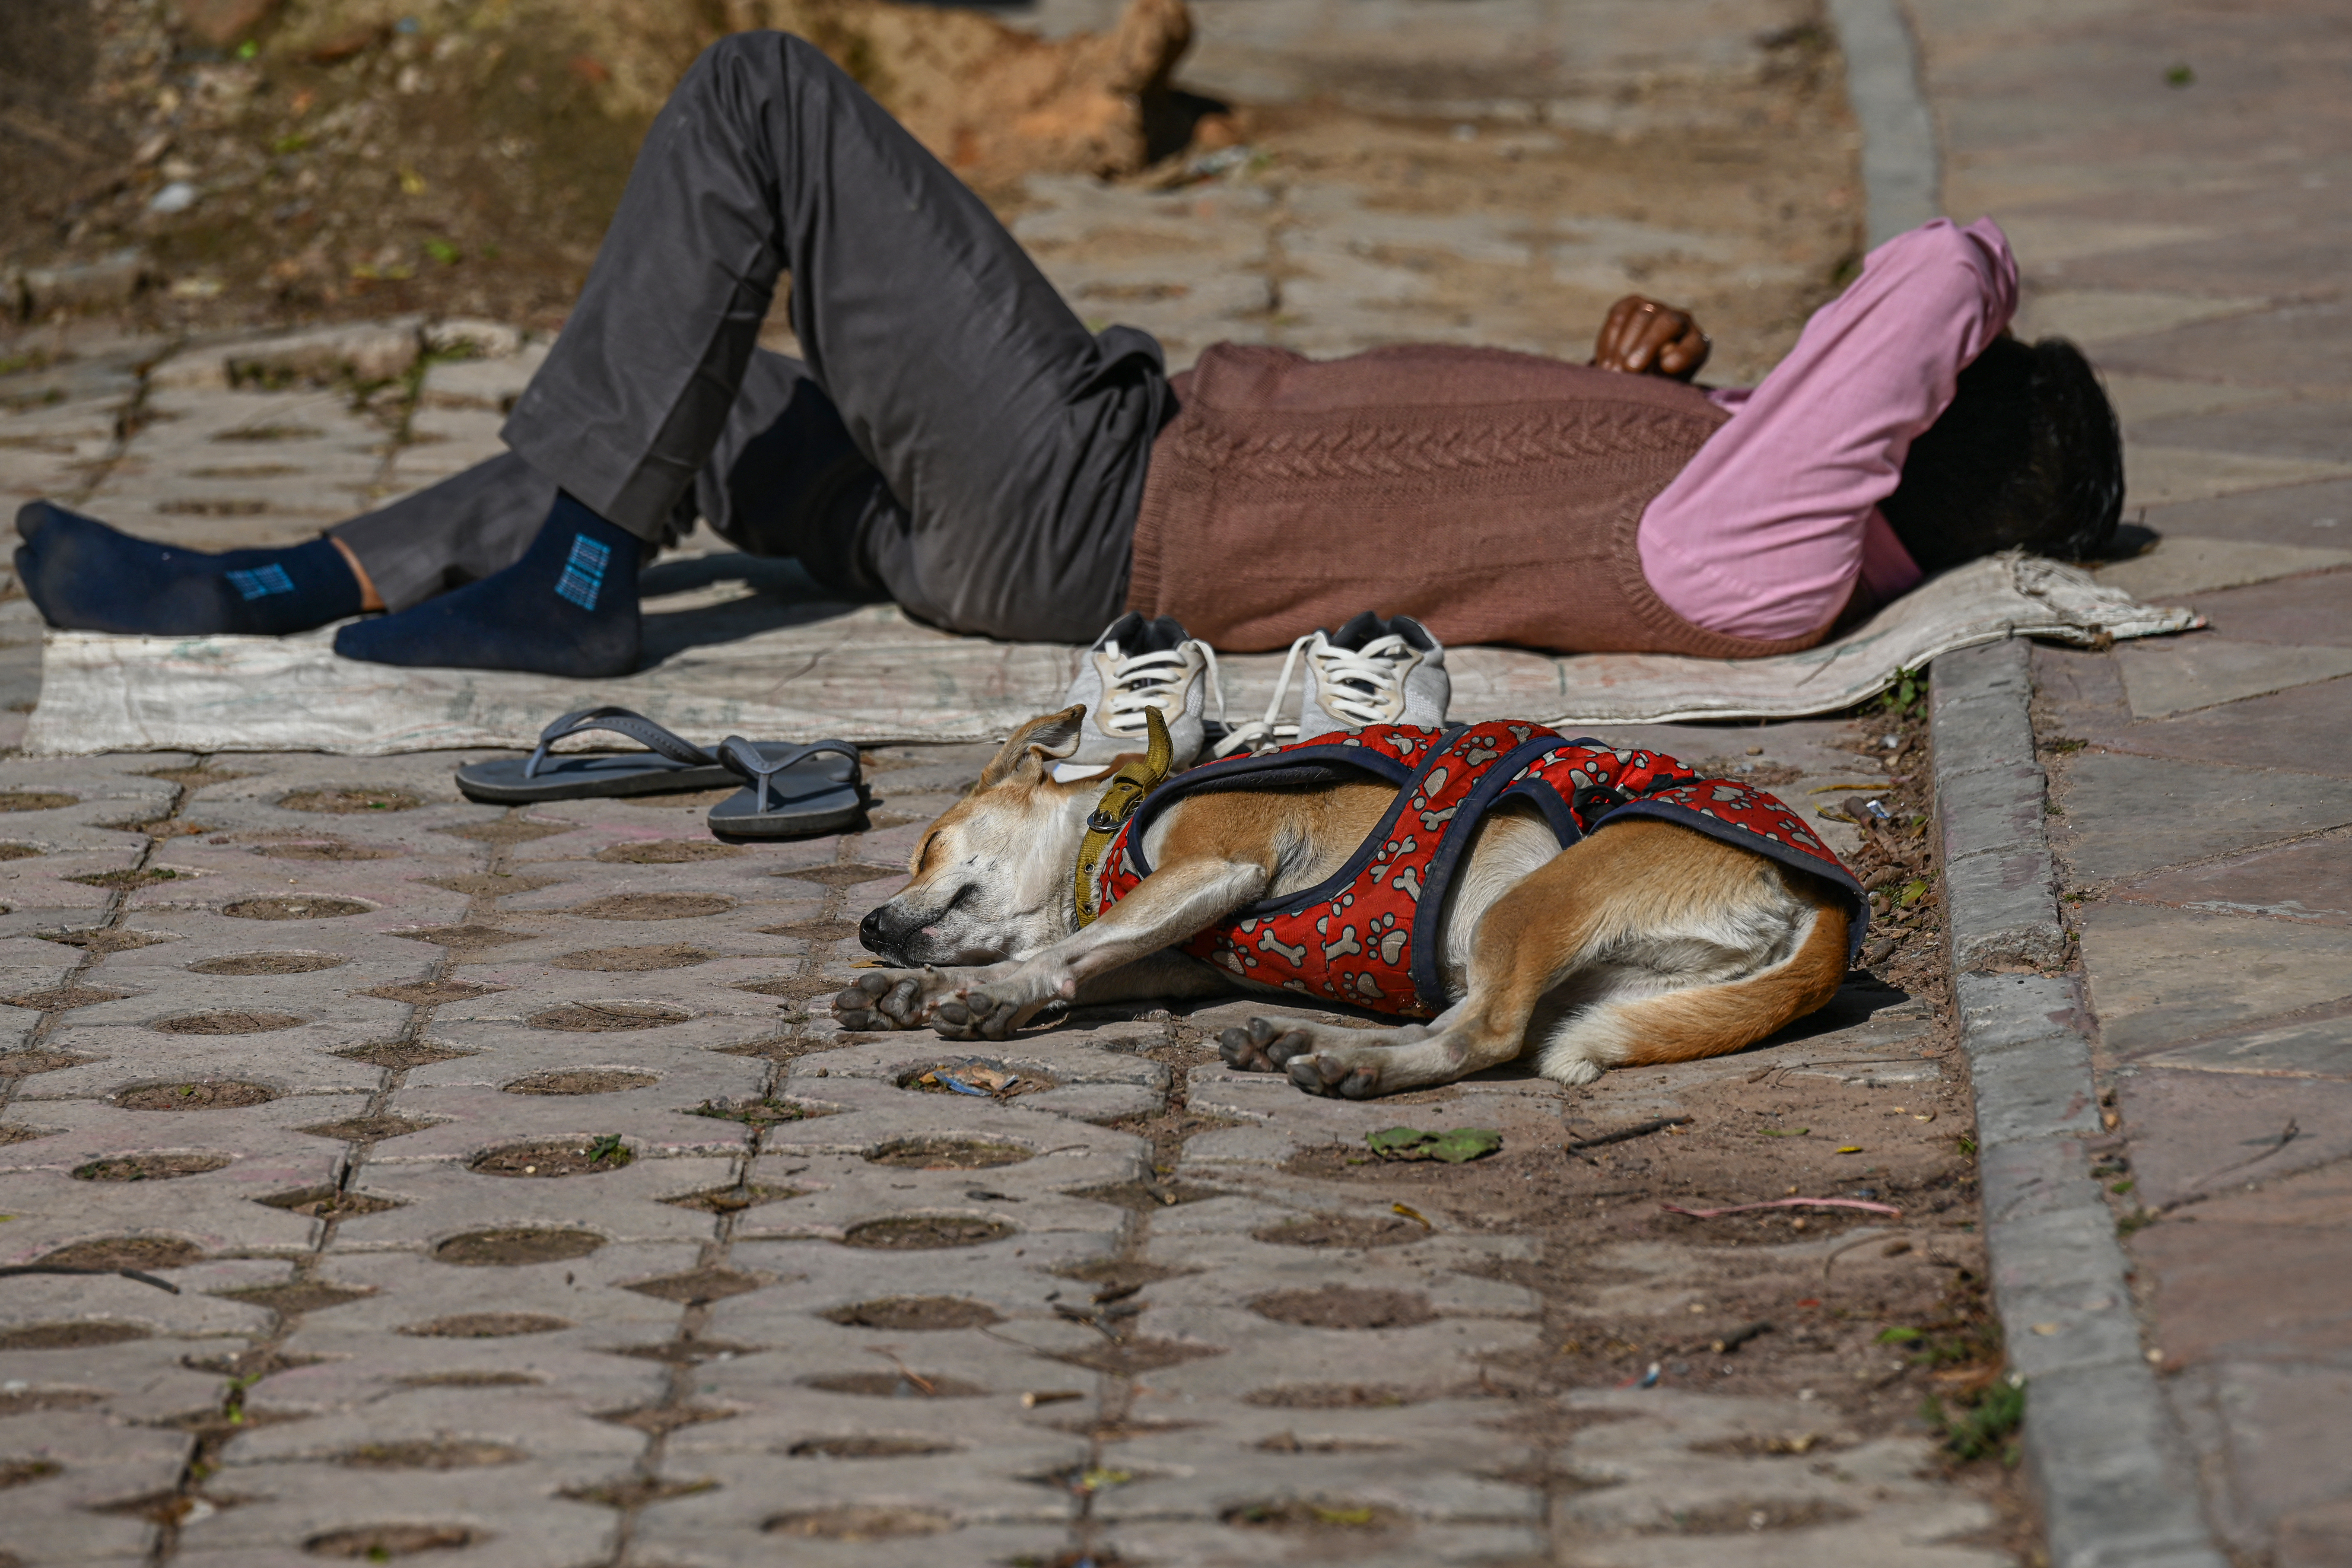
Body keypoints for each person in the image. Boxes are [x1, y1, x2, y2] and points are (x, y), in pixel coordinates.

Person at [12, 30, 2121, 688]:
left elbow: (1946, 256)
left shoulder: (1770, 540)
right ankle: (288, 582)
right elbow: (1526, 490)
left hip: (1097, 481)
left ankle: (575, 593)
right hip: (1036, 544)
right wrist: (1642, 377)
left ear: (1915, 434)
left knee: (762, 99)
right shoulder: (1738, 515)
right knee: (715, 405)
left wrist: (1952, 325)